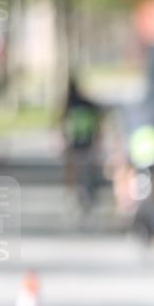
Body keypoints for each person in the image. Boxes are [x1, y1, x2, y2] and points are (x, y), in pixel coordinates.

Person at [60, 79, 103, 211]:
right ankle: (86, 191)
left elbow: (62, 123)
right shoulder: (86, 104)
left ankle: (71, 191)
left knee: (73, 168)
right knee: (87, 167)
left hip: (76, 142)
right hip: (87, 141)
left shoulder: (69, 106)